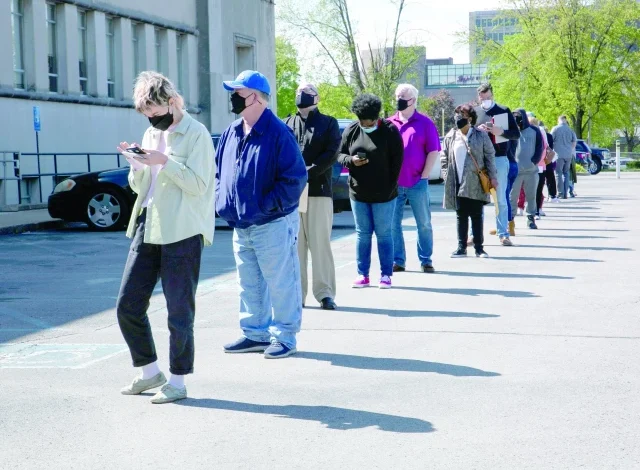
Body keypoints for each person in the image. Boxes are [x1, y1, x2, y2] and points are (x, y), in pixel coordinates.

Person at [116, 71, 216, 404]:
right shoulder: (150, 133)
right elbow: (140, 186)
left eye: (156, 112)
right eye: (147, 114)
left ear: (172, 102)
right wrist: (136, 165)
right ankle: (149, 372)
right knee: (127, 305)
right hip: (148, 224)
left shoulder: (197, 133)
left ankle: (177, 381)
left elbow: (199, 185)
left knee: (179, 311)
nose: (152, 120)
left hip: (183, 230)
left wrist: (164, 162)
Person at [216, 70, 307, 359]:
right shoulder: (232, 131)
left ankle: (285, 337)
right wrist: (223, 202)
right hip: (241, 223)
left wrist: (266, 207)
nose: (233, 98)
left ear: (255, 97)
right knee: (249, 282)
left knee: (281, 282)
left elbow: (294, 179)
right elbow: (219, 172)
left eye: (238, 93)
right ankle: (255, 333)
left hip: (272, 223)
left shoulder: (278, 132)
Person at [284, 83, 341, 311]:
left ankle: (325, 293)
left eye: (306, 91)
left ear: (316, 98)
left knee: (320, 245)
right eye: (299, 91)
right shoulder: (286, 123)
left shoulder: (329, 123)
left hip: (318, 190)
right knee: (295, 247)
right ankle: (297, 295)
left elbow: (332, 153)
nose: (301, 94)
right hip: (293, 194)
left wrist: (309, 171)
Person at [338, 94, 403, 289]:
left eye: (370, 122)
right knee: (363, 234)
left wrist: (389, 186)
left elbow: (397, 162)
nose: (367, 125)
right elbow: (339, 154)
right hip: (358, 193)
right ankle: (362, 274)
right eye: (363, 122)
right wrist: (351, 161)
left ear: (377, 117)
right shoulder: (351, 130)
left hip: (384, 195)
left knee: (384, 234)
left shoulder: (390, 130)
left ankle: (386, 275)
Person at [389, 84, 441, 273]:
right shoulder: (389, 123)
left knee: (424, 223)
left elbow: (433, 151)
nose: (399, 99)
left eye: (403, 97)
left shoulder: (425, 123)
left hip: (417, 182)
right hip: (394, 184)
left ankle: (426, 260)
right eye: (397, 96)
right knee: (393, 224)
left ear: (413, 100)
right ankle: (398, 261)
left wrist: (424, 175)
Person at [442, 104, 497, 258]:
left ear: (470, 119)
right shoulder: (451, 135)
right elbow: (444, 156)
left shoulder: (481, 135)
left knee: (476, 215)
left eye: (462, 115)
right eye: (457, 114)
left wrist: (493, 177)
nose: (458, 118)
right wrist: (446, 175)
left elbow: (490, 156)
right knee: (461, 215)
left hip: (475, 181)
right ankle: (461, 247)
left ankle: (479, 248)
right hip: (457, 181)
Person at [475, 83, 521, 246]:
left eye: (488, 97)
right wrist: (478, 130)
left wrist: (500, 132)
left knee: (500, 198)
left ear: (492, 95)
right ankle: (475, 235)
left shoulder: (503, 110)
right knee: (477, 199)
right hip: (479, 159)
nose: (485, 100)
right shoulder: (475, 112)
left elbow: (516, 134)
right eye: (482, 98)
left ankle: (503, 233)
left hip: (499, 157)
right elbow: (467, 134)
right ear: (478, 97)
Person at [510, 109, 543, 230]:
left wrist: (534, 161)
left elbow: (540, 147)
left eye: (518, 118)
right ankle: (510, 219)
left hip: (531, 170)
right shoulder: (512, 131)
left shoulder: (534, 130)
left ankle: (530, 218)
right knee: (512, 196)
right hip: (516, 171)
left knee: (531, 195)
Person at [551, 115, 577, 199]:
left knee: (558, 173)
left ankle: (560, 193)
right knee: (566, 173)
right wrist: (569, 149)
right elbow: (574, 142)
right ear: (565, 120)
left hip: (558, 154)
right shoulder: (570, 130)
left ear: (559, 120)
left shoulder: (555, 129)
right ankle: (565, 193)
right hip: (568, 155)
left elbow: (550, 140)